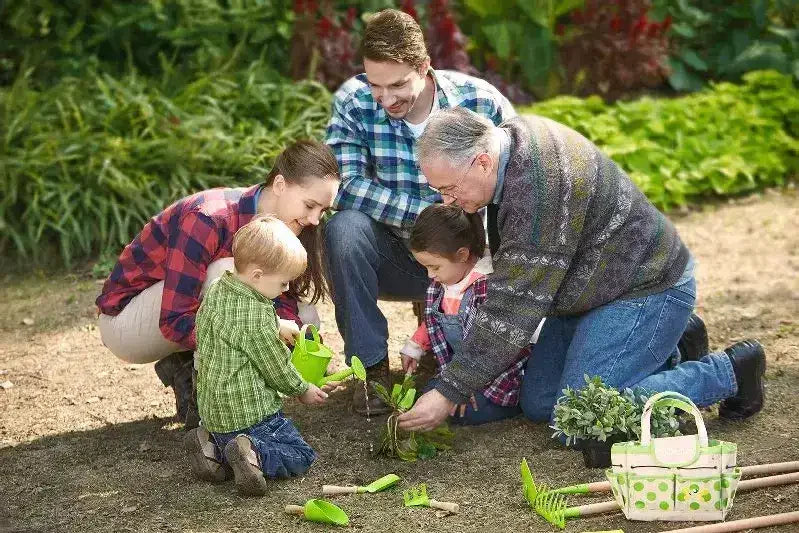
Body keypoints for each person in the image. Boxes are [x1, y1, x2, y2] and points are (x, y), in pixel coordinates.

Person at [397, 107, 766, 433]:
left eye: (449, 188)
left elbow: (512, 308)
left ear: (481, 162)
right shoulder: (509, 141)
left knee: (577, 415)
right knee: (540, 404)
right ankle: (673, 341)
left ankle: (731, 372)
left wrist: (449, 392)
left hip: (644, 287)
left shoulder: (538, 191)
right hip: (592, 290)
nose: (448, 201)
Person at [324, 8, 516, 415]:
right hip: (396, 256)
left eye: (398, 85)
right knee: (343, 229)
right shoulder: (355, 103)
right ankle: (371, 369)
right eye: (376, 85)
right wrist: (430, 216)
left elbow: (520, 178)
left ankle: (457, 354)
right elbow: (345, 186)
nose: (387, 98)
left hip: (472, 263)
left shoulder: (479, 100)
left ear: (425, 66)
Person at [96, 141, 339, 428]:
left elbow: (283, 303)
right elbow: (174, 320)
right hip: (127, 323)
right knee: (228, 271)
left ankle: (186, 364)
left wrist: (296, 359)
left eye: (322, 210)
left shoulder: (288, 227)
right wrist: (266, 332)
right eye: (310, 205)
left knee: (304, 317)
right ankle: (209, 406)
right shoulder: (208, 218)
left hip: (191, 315)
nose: (314, 219)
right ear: (280, 184)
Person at [183, 215, 335, 496]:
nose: (285, 289)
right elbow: (274, 366)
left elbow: (232, 324)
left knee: (228, 440)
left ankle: (211, 447)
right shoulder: (257, 315)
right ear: (257, 276)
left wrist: (276, 324)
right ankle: (254, 453)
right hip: (251, 416)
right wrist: (301, 389)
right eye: (283, 284)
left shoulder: (218, 289)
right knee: (300, 454)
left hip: (214, 413)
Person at [401, 204, 538, 425]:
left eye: (434, 267)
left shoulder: (486, 285)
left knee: (460, 413)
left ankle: (513, 401)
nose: (430, 274)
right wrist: (416, 345)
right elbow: (435, 319)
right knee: (425, 394)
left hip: (497, 375)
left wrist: (464, 386)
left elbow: (495, 347)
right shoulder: (444, 281)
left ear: (462, 254)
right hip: (463, 370)